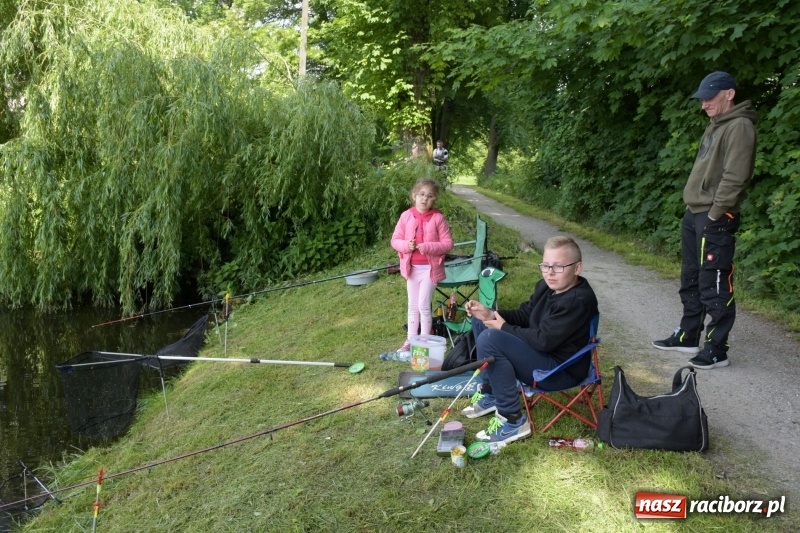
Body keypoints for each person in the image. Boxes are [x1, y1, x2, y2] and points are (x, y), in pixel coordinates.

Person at [652, 71, 758, 370]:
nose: (704, 105)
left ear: (729, 94)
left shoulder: (739, 126)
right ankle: (688, 335)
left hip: (715, 214)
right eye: (702, 99)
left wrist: (715, 212)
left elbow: (736, 177)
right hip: (695, 211)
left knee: (713, 280)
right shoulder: (716, 125)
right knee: (691, 276)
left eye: (709, 98)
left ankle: (716, 349)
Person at [460, 236, 598, 444]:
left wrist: (503, 327)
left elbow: (544, 341)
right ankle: (492, 394)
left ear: (577, 268)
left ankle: (513, 421)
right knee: (482, 322)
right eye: (546, 265)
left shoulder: (577, 300)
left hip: (559, 370)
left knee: (491, 338)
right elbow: (525, 315)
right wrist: (491, 314)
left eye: (559, 267)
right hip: (542, 354)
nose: (550, 273)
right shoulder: (546, 286)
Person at [391, 179, 454, 353]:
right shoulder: (406, 216)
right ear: (414, 196)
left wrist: (428, 247)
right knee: (413, 305)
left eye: (430, 196)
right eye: (422, 194)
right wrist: (406, 246)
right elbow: (395, 240)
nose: (425, 199)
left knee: (423, 304)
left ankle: (424, 341)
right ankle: (410, 340)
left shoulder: (438, 218)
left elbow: (448, 244)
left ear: (435, 199)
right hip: (411, 269)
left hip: (430, 269)